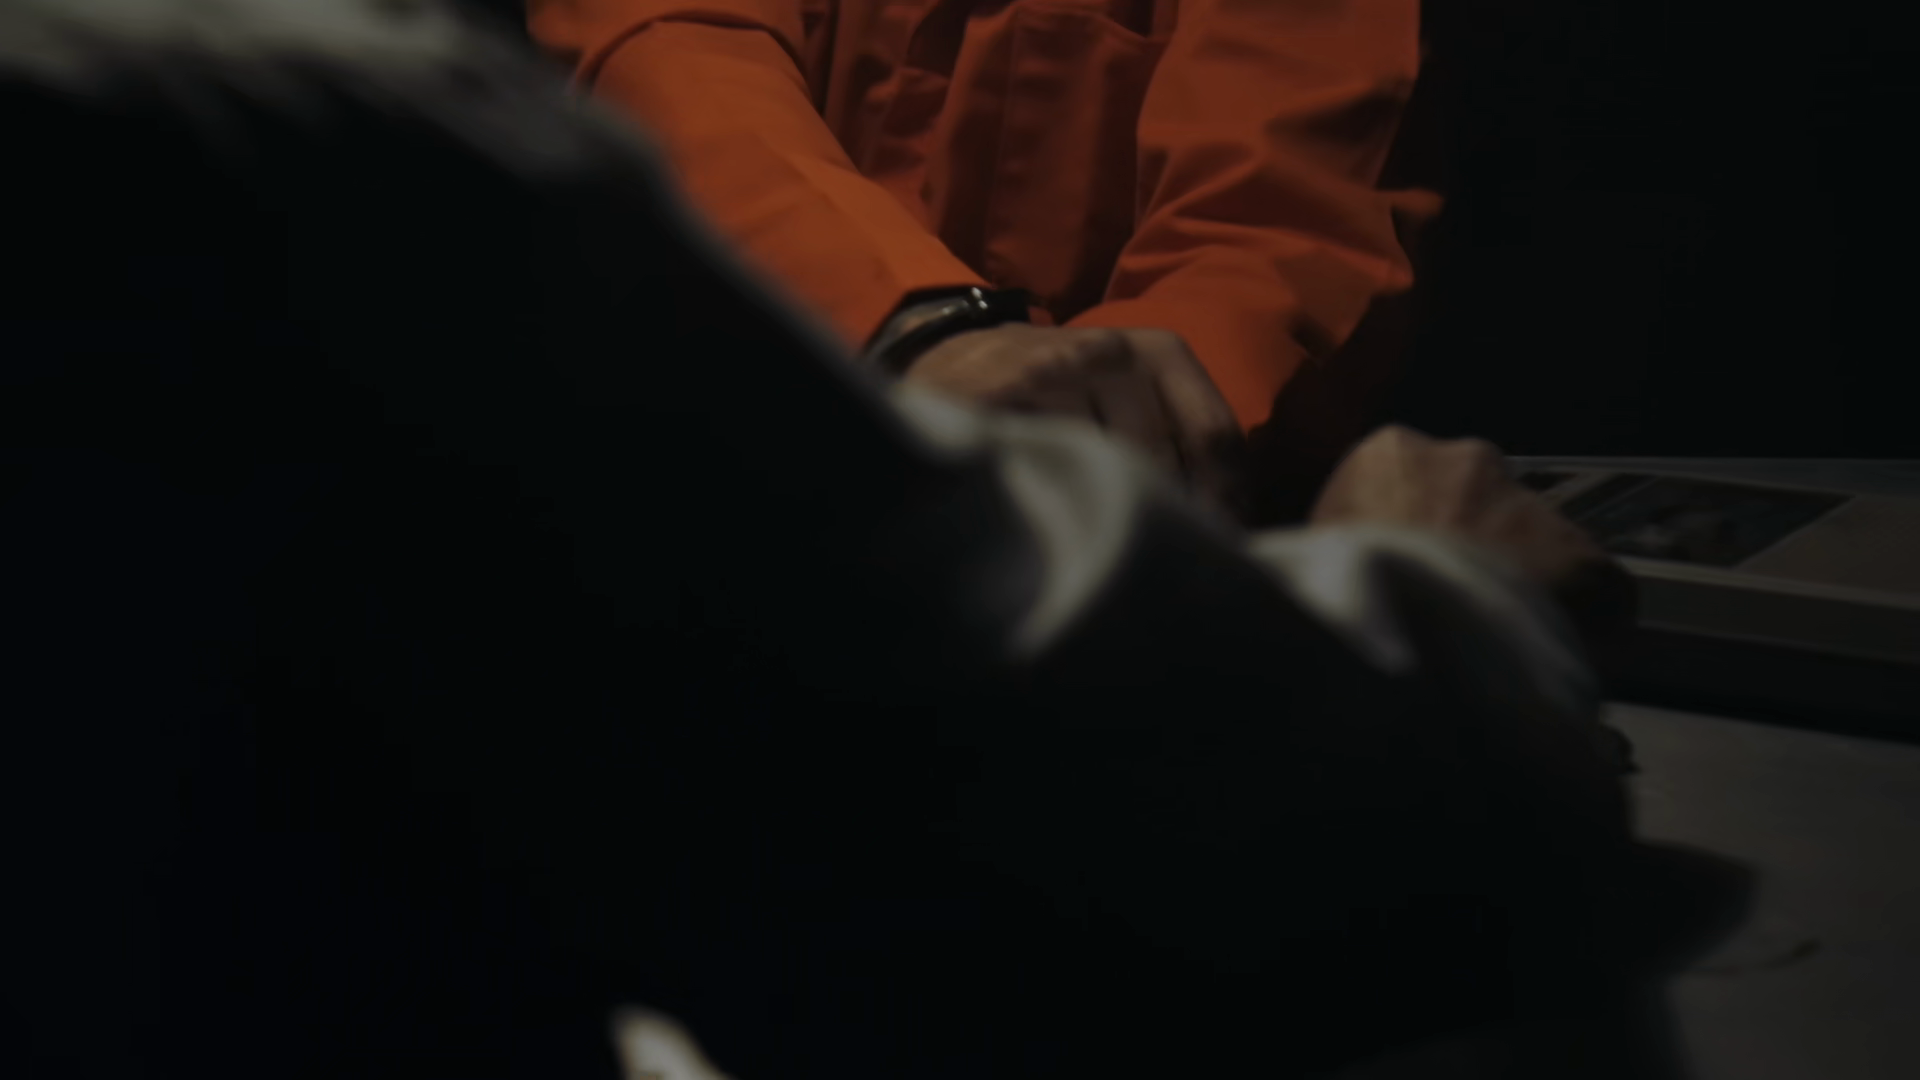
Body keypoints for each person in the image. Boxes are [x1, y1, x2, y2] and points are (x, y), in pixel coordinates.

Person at [4, 2, 1634, 1079]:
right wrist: (940, 343)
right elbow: (665, 44)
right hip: (971, 577)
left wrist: (1139, 431)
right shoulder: (284, 135)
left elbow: (1288, 193)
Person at [524, 0, 1440, 511]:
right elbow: (663, 48)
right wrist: (919, 327)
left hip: (1125, 597)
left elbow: (1279, 227)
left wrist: (1088, 458)